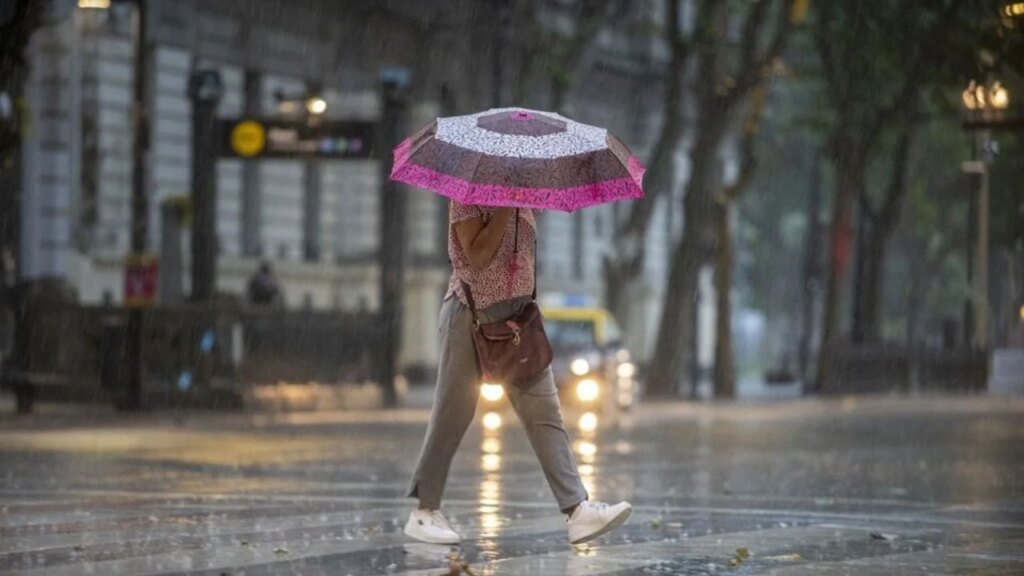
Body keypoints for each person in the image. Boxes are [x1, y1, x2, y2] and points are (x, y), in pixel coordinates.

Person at [404, 202, 631, 546]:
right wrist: (505, 209)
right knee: (453, 413)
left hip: (516, 320)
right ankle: (424, 511)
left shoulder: (522, 192)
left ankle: (577, 510)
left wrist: (524, 204)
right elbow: (477, 254)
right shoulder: (468, 192)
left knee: (546, 415)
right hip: (470, 317)